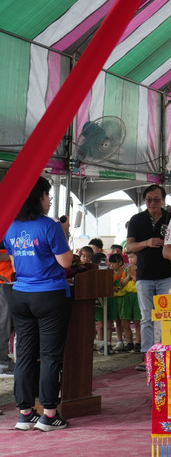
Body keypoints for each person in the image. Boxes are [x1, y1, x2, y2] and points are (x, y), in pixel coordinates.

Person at [4, 177, 72, 431]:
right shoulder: (50, 226)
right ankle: (50, 414)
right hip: (50, 295)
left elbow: (13, 260)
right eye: (49, 197)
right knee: (50, 356)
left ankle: (25, 413)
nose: (49, 202)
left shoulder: (10, 226)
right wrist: (63, 234)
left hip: (20, 295)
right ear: (41, 195)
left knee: (24, 355)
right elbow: (66, 262)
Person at [127, 184, 171, 371]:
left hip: (168, 275)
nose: (152, 203)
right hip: (144, 276)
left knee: (166, 316)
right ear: (144, 201)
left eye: (156, 199)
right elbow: (129, 247)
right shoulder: (137, 220)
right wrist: (147, 243)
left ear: (163, 200)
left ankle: (165, 354)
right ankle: (147, 355)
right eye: (149, 200)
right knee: (147, 317)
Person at [119, 252, 141, 352]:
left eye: (132, 257)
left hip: (138, 296)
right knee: (125, 321)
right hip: (127, 296)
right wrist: (129, 275)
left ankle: (139, 343)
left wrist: (133, 275)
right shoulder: (127, 270)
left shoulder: (142, 268)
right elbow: (122, 284)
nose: (130, 260)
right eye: (129, 258)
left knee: (138, 322)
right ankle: (129, 343)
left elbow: (141, 282)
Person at [0, 241, 15, 377]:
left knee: (6, 323)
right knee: (3, 323)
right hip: (4, 282)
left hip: (10, 282)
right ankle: (2, 363)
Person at [108, 253, 127, 351]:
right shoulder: (109, 273)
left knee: (124, 321)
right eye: (110, 263)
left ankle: (128, 341)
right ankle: (120, 341)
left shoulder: (124, 272)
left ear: (120, 262)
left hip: (123, 298)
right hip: (113, 298)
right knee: (117, 321)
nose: (111, 265)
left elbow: (121, 285)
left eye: (113, 263)